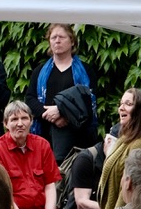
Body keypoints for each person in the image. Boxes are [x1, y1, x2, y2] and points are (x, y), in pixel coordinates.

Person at [25, 23, 97, 163]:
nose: (57, 40)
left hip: (78, 135)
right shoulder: (39, 71)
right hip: (45, 134)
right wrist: (48, 115)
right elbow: (30, 98)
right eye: (53, 37)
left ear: (72, 41)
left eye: (62, 37)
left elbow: (89, 100)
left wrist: (62, 112)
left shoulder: (86, 71)